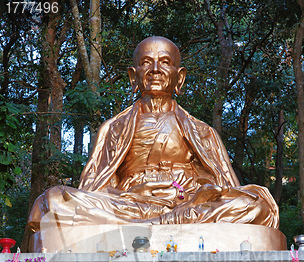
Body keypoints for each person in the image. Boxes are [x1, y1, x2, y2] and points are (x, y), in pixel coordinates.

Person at [28, 36, 279, 231]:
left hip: (188, 204)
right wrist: (130, 194)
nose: (156, 69)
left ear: (179, 78)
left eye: (166, 62)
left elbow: (223, 186)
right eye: (146, 62)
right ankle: (162, 225)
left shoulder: (202, 132)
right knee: (53, 201)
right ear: (133, 75)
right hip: (128, 206)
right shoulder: (114, 128)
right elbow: (94, 188)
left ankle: (155, 226)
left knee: (256, 204)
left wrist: (201, 193)